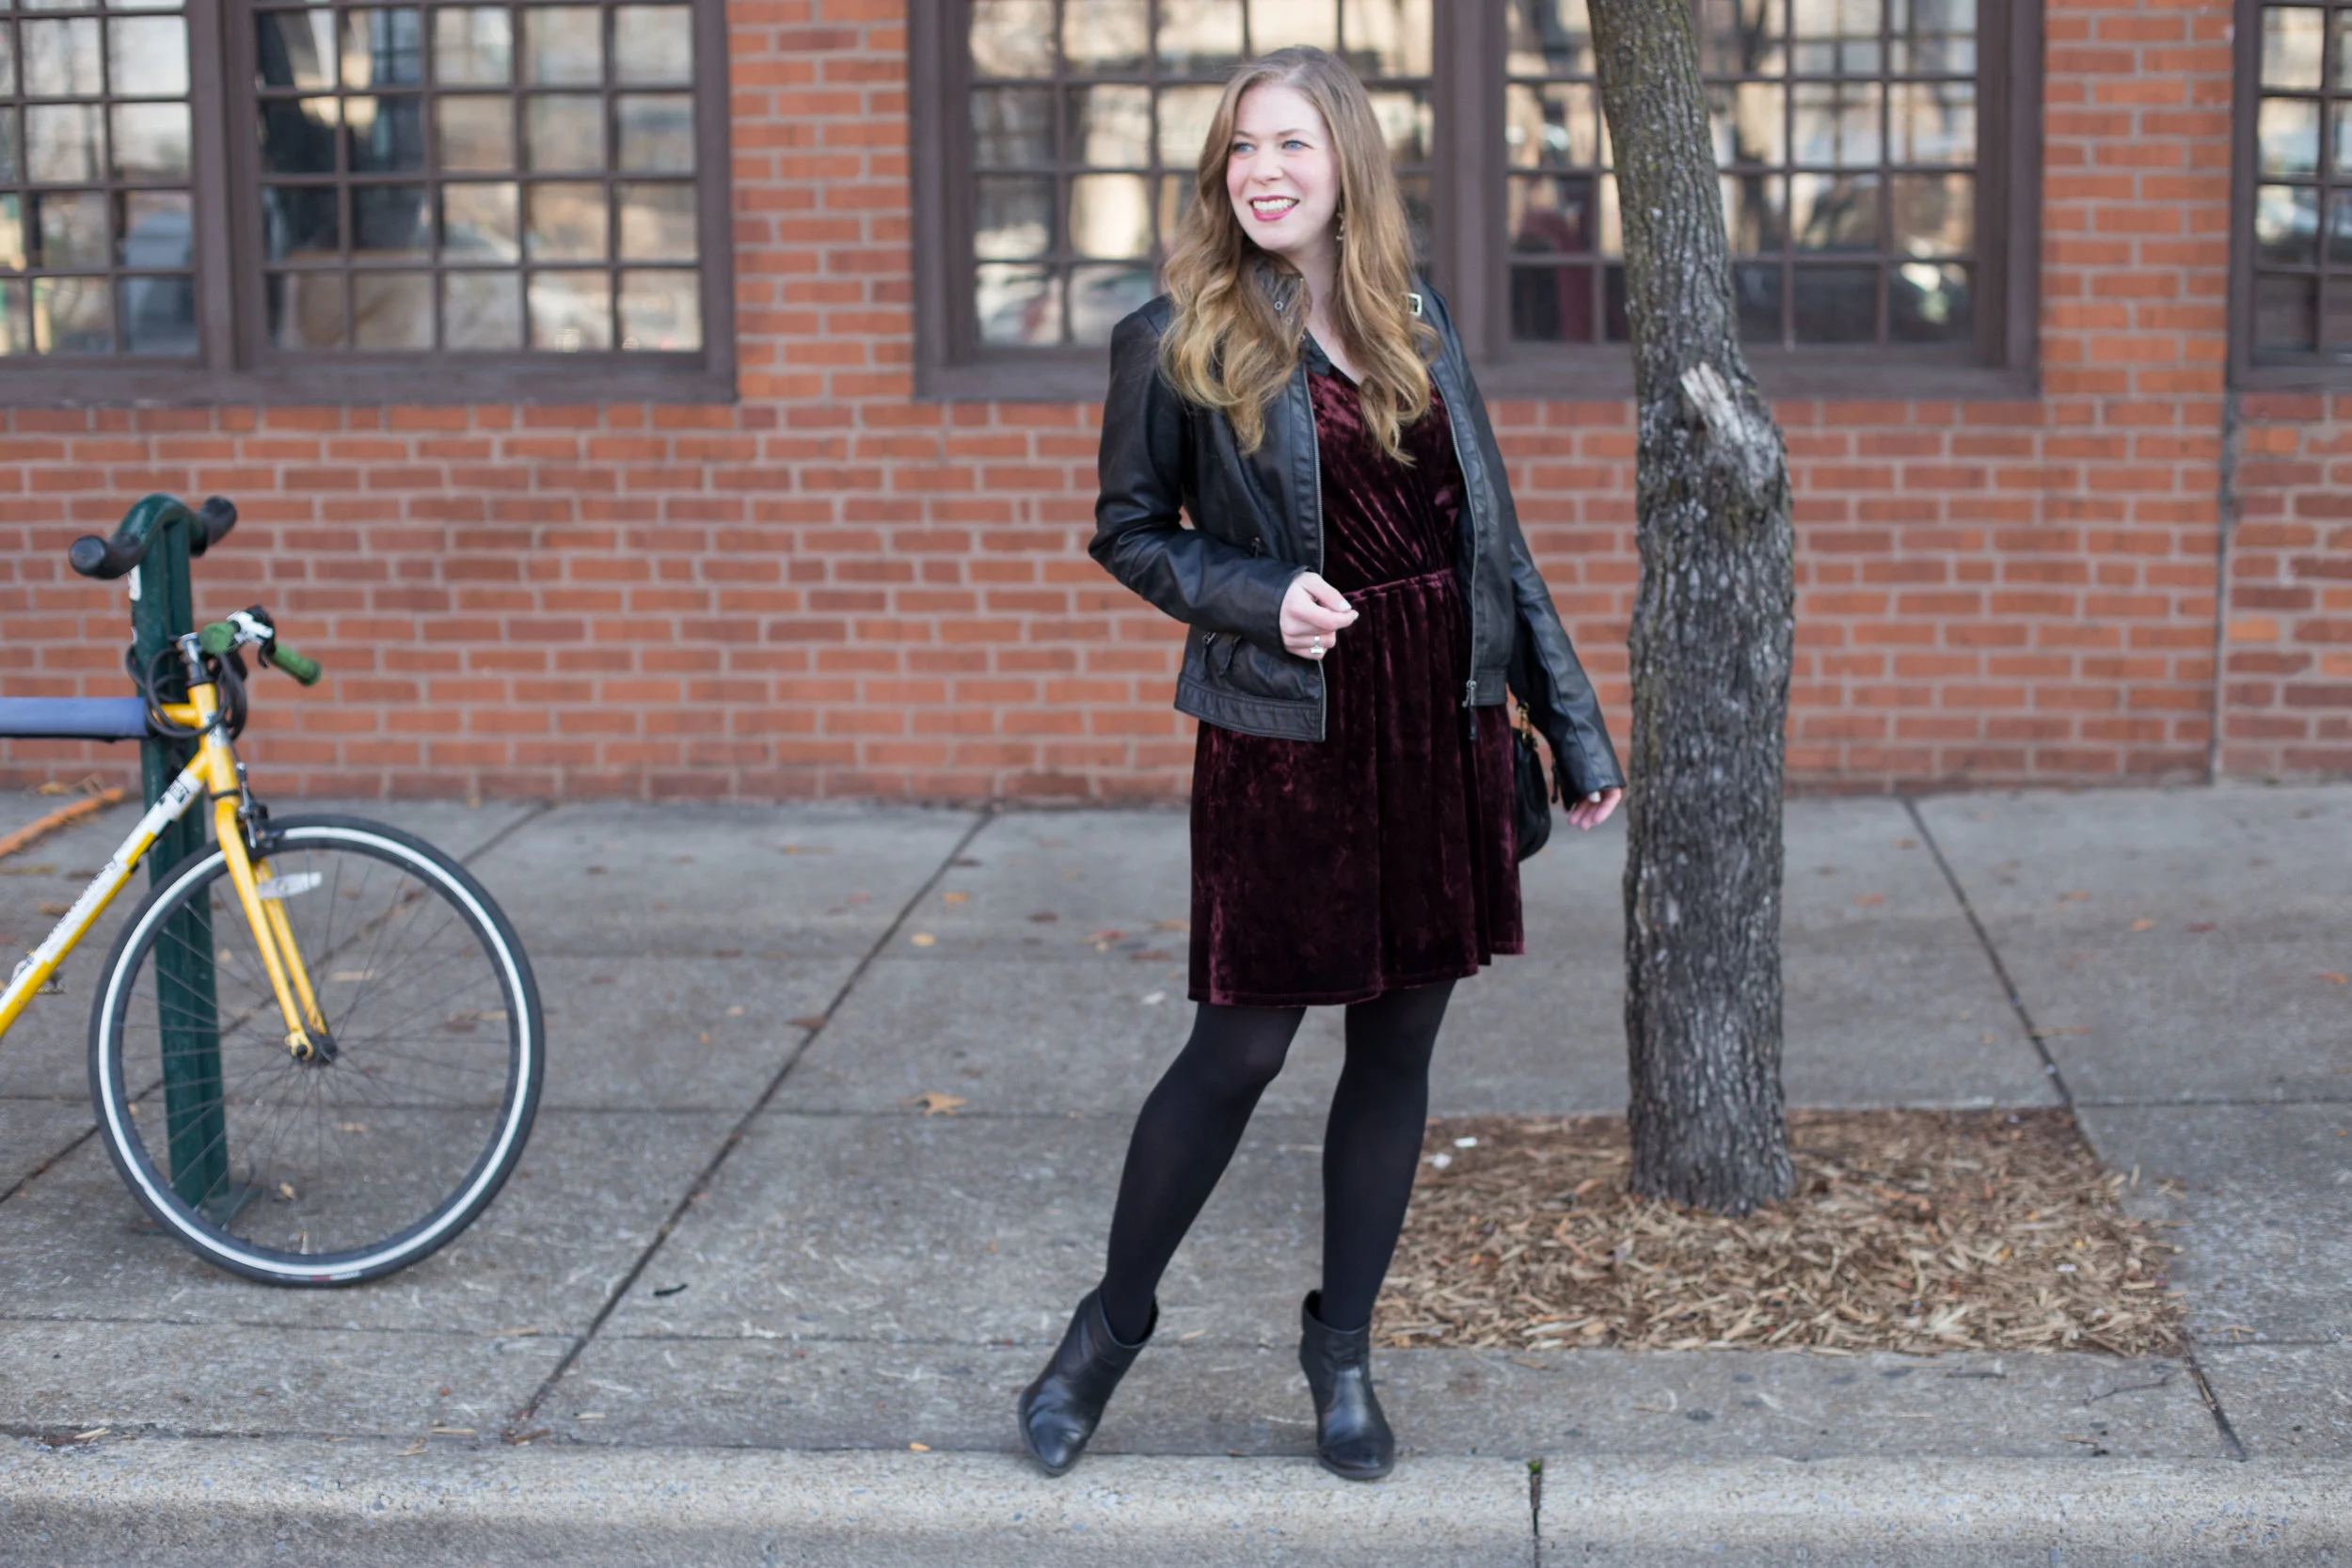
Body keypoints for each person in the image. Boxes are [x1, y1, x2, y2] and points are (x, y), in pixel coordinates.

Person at [1019, 45, 1626, 1483]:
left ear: (1345, 157)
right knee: (1239, 1047)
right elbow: (1128, 530)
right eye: (1241, 149)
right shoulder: (1175, 333)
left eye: (1289, 141)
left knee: (1398, 1045)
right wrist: (1253, 594)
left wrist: (1574, 727)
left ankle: (1340, 1352)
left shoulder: (1415, 319)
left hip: (1441, 721)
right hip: (1287, 730)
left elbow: (1495, 541)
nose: (1263, 170)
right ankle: (1102, 1336)